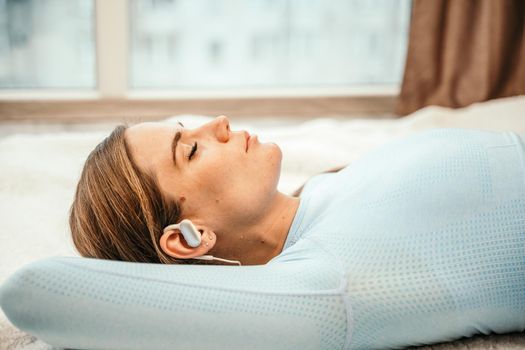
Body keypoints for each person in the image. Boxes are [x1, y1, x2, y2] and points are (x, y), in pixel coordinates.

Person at [62, 116, 525, 348]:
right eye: (192, 150)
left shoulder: (320, 199)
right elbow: (34, 291)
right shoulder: (326, 282)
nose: (219, 123)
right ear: (187, 237)